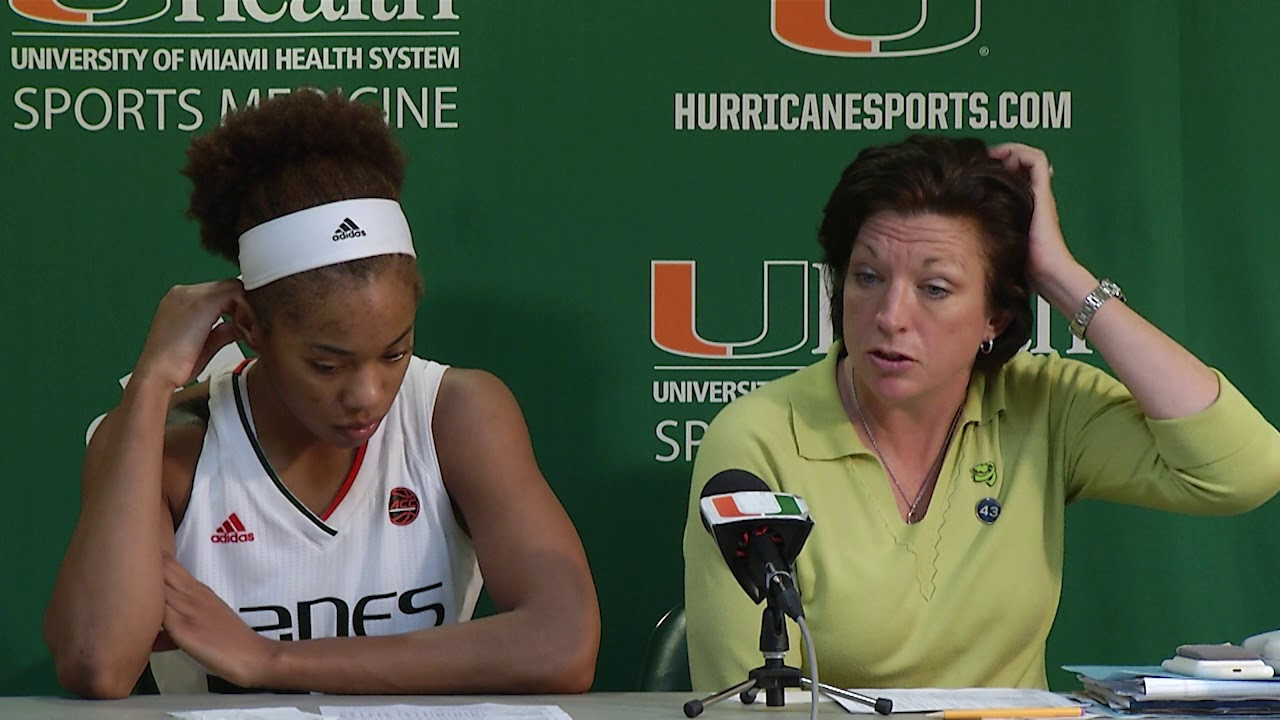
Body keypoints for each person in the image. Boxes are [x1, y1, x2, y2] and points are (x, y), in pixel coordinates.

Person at [45, 91, 600, 698]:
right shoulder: (165, 440)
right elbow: (96, 663)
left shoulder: (454, 413)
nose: (367, 394)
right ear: (252, 329)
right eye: (326, 365)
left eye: (395, 351)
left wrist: (273, 661)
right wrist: (154, 381)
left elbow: (564, 643)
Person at [683, 135, 1280, 691]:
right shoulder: (759, 437)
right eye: (867, 277)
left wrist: (1062, 278)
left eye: (934, 288)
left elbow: (1243, 471)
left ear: (994, 315)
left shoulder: (1043, 405)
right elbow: (741, 697)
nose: (891, 315)